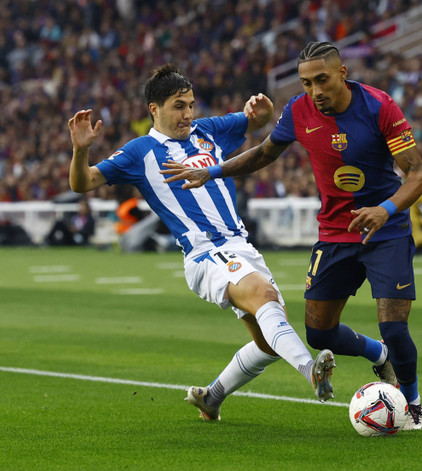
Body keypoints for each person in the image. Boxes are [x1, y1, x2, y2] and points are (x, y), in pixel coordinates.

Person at [161, 42, 422, 430]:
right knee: (320, 333)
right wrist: (214, 171)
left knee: (394, 324)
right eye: (306, 83)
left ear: (342, 73)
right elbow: (265, 153)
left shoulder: (379, 106)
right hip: (335, 233)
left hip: (384, 231)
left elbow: (418, 174)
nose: (315, 90)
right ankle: (379, 354)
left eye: (322, 80)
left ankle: (414, 404)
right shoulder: (299, 111)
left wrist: (385, 209)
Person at [67, 64, 335, 421]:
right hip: (204, 252)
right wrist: (80, 151)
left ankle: (212, 399)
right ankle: (309, 371)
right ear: (155, 109)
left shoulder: (208, 131)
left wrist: (265, 111)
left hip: (241, 246)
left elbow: (253, 121)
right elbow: (82, 183)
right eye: (179, 106)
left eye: (191, 104)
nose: (188, 114)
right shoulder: (139, 151)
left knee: (269, 343)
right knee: (265, 298)